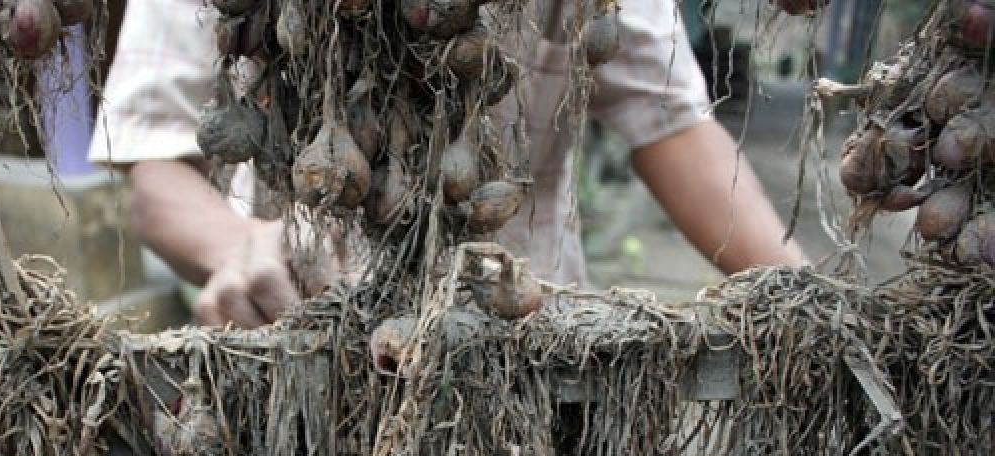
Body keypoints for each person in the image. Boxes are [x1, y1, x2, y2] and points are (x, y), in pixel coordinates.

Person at [89, 0, 806, 329]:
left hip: (529, 350)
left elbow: (671, 124)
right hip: (299, 337)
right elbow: (152, 155)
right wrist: (236, 244)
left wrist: (810, 303)